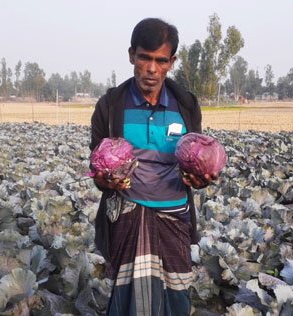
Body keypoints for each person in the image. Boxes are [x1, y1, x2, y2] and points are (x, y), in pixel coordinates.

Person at [89, 18, 217, 315]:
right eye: (145, 57)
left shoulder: (186, 105)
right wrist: (106, 180)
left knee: (175, 294)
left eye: (161, 60)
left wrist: (201, 178)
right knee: (126, 298)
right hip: (127, 216)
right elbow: (96, 166)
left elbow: (194, 156)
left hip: (174, 216)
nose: (151, 68)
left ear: (171, 62)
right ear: (132, 54)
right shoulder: (110, 106)